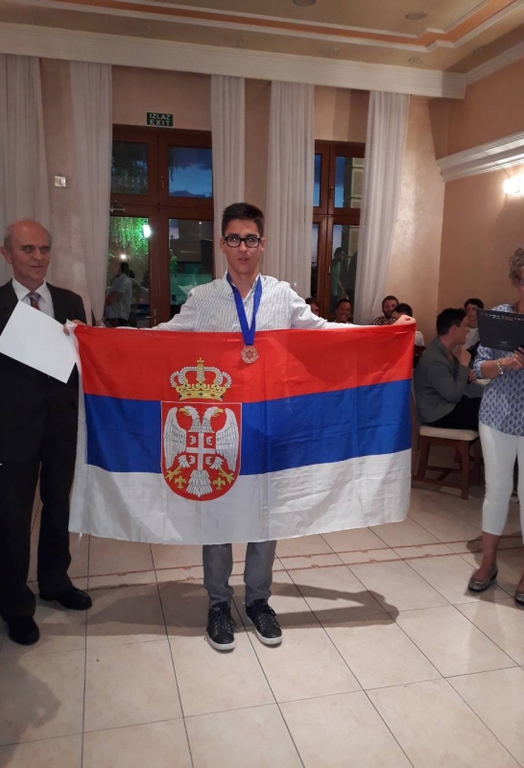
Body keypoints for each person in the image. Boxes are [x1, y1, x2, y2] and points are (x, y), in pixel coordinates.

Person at [128, 202, 415, 653]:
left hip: (270, 427)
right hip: (223, 427)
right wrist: (98, 337)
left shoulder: (282, 296)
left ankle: (258, 600)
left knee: (265, 516)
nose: (243, 247)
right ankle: (218, 604)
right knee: (217, 518)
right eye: (234, 239)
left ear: (263, 244)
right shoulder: (204, 299)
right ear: (222, 244)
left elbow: (323, 331)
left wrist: (386, 334)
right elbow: (164, 337)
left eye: (251, 239)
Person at [0, 220, 91, 646]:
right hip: (12, 430)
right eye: (27, 249)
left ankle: (56, 582)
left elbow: (84, 366)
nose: (38, 257)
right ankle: (15, 606)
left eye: (44, 248)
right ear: (6, 254)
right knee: (14, 519)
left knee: (58, 506)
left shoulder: (70, 301)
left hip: (62, 427)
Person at [468, 245, 524, 606]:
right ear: (515, 280)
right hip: (497, 417)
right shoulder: (498, 317)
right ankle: (488, 563)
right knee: (497, 490)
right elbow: (479, 369)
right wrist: (506, 364)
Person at [414, 308, 483, 430]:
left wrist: (466, 375)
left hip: (449, 405)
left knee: (488, 402)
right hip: (438, 413)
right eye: (465, 326)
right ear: (454, 329)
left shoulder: (448, 351)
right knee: (488, 410)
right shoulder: (434, 359)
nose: (467, 330)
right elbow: (454, 395)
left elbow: (452, 383)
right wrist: (463, 366)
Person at [105, 260, 133, 327]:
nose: (109, 268)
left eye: (111, 266)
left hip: (119, 316)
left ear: (119, 268)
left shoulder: (125, 281)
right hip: (111, 316)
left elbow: (113, 298)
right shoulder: (115, 280)